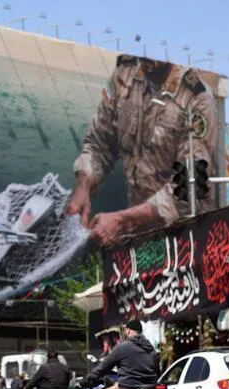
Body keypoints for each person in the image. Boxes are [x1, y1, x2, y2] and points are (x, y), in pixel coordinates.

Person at [65, 55, 218, 246]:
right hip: (140, 239)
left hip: (186, 241)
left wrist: (123, 222)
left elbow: (189, 188)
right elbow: (100, 143)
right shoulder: (124, 76)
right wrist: (84, 185)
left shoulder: (197, 99)